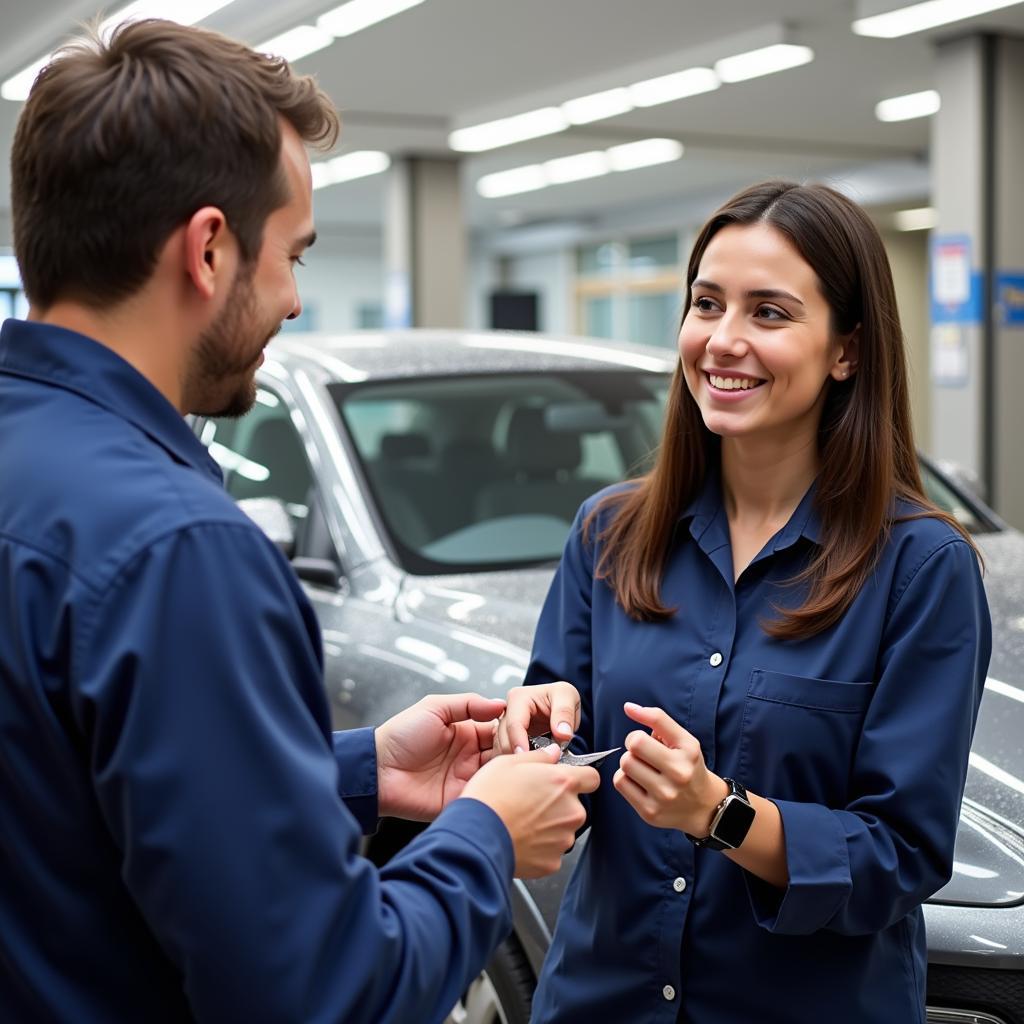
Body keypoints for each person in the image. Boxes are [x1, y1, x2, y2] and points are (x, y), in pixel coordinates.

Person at [0, 19, 600, 1024]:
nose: (289, 300)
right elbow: (320, 992)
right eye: (293, 255)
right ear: (208, 248)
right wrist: (488, 833)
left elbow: (61, 796)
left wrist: (363, 770)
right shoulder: (178, 550)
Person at [496, 181, 992, 1023]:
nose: (723, 341)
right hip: (601, 1001)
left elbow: (901, 856)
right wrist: (534, 738)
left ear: (848, 351)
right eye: (706, 304)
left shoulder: (922, 568)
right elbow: (565, 773)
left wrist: (720, 814)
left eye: (770, 313)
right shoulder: (607, 535)